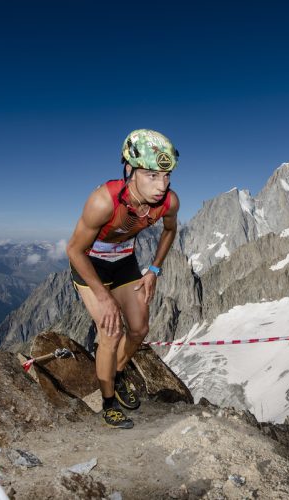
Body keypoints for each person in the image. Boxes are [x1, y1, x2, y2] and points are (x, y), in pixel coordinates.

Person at [66, 129, 180, 428]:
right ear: (130, 170)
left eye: (166, 176)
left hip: (124, 262)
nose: (162, 185)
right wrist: (103, 297)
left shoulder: (168, 203)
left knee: (140, 328)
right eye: (152, 175)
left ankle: (116, 374)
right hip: (90, 264)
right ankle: (107, 404)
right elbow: (74, 250)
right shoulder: (103, 201)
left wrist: (154, 269)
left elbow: (170, 231)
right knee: (111, 332)